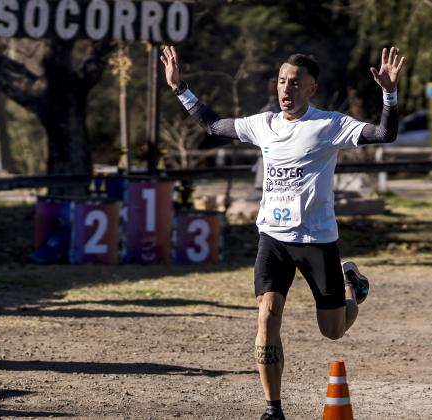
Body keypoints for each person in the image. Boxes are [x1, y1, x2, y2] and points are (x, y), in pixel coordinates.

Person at [160, 45, 404, 419]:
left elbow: (385, 133)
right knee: (267, 315)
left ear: (311, 89)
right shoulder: (264, 123)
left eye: (295, 83)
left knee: (333, 331)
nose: (285, 89)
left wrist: (388, 93)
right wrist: (180, 88)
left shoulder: (330, 125)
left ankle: (352, 284)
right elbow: (213, 125)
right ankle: (273, 409)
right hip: (272, 238)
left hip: (317, 241)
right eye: (281, 81)